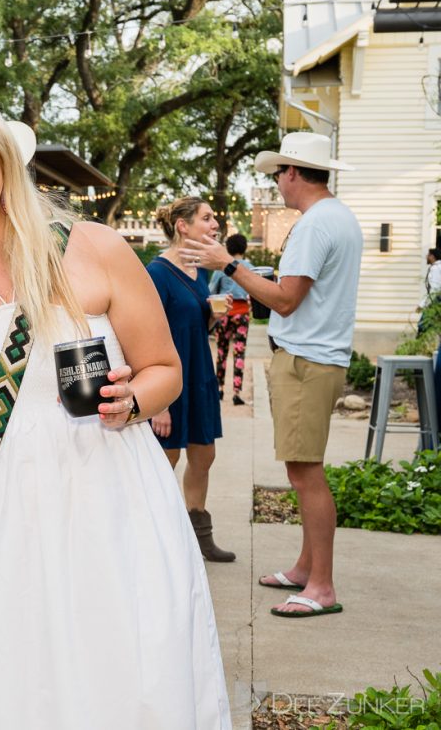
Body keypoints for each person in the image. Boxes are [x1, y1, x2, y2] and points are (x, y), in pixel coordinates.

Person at [0, 87, 230, 729]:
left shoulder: (92, 246)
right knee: (20, 689)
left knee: (128, 680)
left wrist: (132, 401)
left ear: (1, 153)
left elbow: (167, 371)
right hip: (7, 521)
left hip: (115, 505)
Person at [186, 131, 362, 618]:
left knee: (306, 473)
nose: (277, 185)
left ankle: (321, 587)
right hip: (318, 357)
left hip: (307, 360)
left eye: (278, 174)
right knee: (301, 467)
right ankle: (307, 568)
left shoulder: (313, 226)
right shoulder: (337, 217)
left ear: (292, 172)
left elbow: (285, 299)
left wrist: (231, 264)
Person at [146, 198, 235, 562]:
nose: (215, 224)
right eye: (207, 218)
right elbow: (147, 333)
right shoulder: (157, 272)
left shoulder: (201, 271)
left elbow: (195, 325)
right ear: (183, 226)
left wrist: (216, 315)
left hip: (199, 376)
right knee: (164, 459)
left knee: (204, 455)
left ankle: (200, 536)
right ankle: (156, 539)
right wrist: (159, 402)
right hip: (170, 381)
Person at [209, 233, 256, 405]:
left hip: (224, 312)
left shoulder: (222, 268)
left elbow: (212, 290)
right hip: (242, 313)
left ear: (228, 248)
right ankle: (236, 392)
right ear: (244, 248)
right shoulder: (250, 267)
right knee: (239, 352)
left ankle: (220, 389)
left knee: (221, 352)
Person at [417, 247, 441, 335]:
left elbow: (435, 290)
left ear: (433, 257)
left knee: (423, 325)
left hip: (436, 301)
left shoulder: (435, 269)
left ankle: (418, 347)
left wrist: (422, 304)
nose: (426, 257)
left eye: (428, 255)